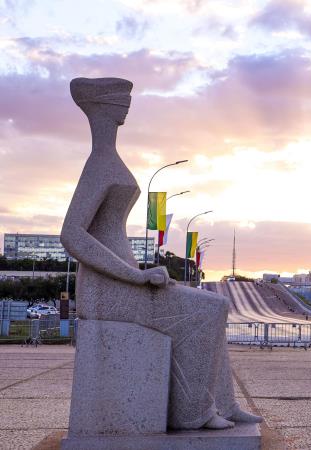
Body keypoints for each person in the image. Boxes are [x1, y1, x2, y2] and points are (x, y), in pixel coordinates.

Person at [60, 78, 261, 430]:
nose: (126, 104)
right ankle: (193, 413)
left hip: (123, 283)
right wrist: (135, 276)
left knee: (213, 309)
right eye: (118, 99)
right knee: (212, 308)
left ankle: (225, 405)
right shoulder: (99, 164)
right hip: (106, 292)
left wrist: (138, 275)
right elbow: (72, 234)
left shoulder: (108, 160)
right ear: (101, 107)